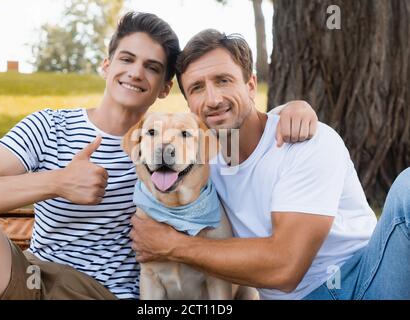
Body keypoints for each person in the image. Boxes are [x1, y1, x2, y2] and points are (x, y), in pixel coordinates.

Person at [0, 13, 317, 300]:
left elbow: (237, 125)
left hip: (105, 292)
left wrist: (294, 108)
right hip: (30, 277)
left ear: (165, 88)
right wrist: (56, 182)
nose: (135, 72)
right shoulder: (48, 126)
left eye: (151, 67)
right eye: (127, 59)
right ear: (106, 65)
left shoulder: (175, 154)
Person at [129, 29, 410, 300]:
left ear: (251, 86)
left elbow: (286, 268)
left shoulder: (307, 141)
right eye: (197, 88)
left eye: (224, 80)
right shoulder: (199, 163)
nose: (213, 99)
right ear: (190, 104)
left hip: (364, 281)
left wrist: (173, 246)